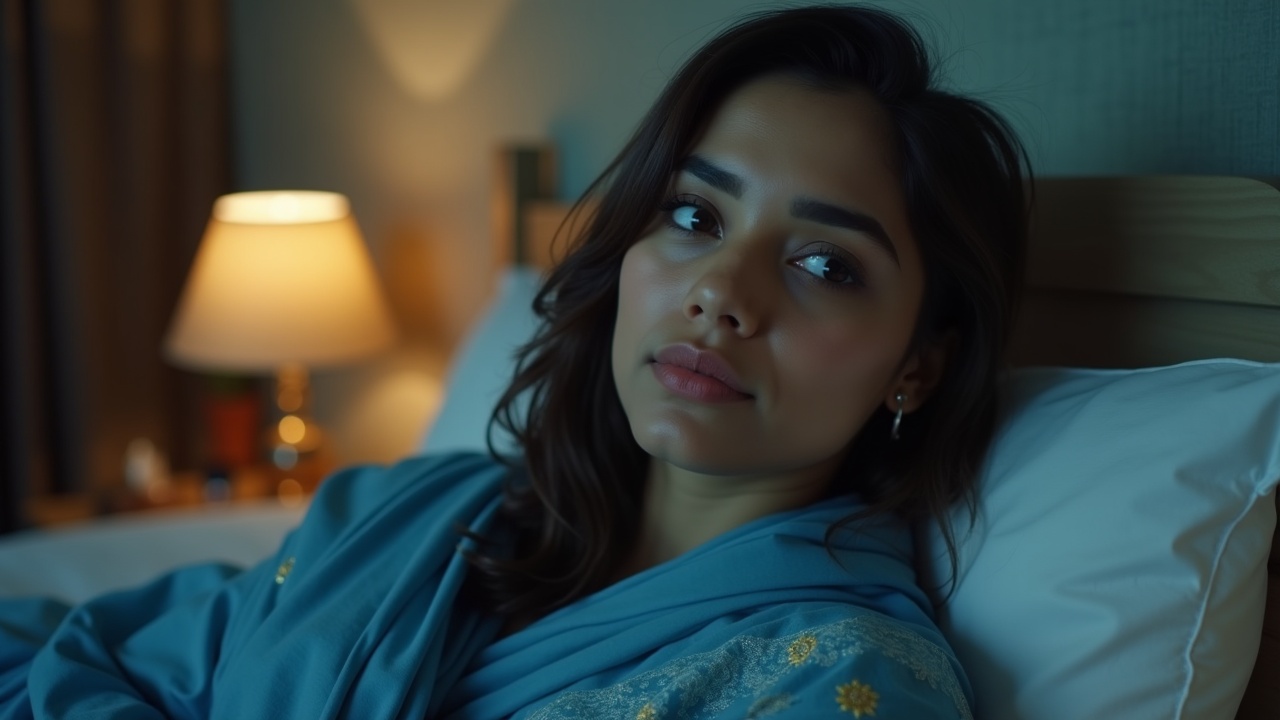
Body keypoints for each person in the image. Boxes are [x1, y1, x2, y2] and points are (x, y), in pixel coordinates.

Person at [0, 5, 1028, 718]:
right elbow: (93, 658)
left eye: (822, 263)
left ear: (917, 368)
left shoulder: (841, 680)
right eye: (692, 214)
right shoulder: (416, 519)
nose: (723, 291)